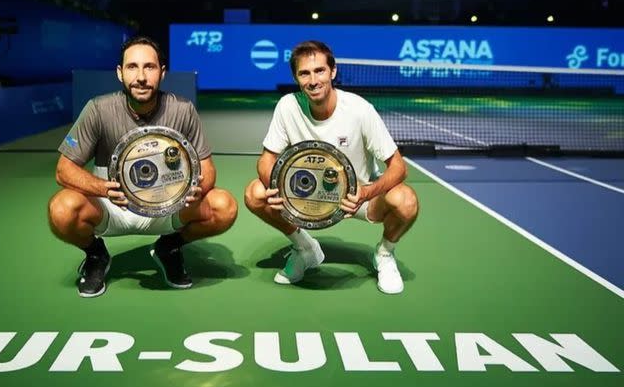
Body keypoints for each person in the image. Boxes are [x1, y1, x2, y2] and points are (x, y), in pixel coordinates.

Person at [48, 36, 238, 297]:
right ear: (120, 73)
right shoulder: (98, 109)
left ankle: (169, 247)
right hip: (114, 205)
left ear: (162, 72)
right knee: (61, 209)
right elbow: (64, 169)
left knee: (223, 206)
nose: (140, 76)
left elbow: (208, 169)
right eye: (132, 67)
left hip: (167, 206)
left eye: (149, 67)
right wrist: (103, 188)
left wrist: (196, 186)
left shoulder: (183, 110)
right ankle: (96, 255)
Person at [244, 40, 418, 294]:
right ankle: (306, 249)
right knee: (255, 194)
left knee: (406, 201)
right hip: (305, 197)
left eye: (319, 71)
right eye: (304, 73)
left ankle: (384, 254)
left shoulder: (359, 110)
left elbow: (398, 167)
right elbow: (266, 159)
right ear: (296, 77)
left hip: (356, 198)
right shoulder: (288, 106)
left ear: (333, 72)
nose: (313, 80)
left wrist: (366, 193)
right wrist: (276, 186)